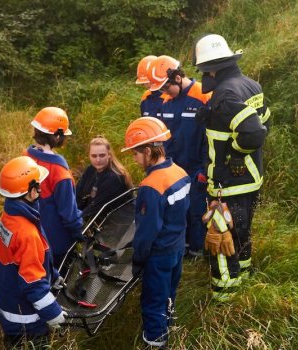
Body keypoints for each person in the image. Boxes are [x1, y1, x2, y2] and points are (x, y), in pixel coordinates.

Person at [194, 34, 269, 301]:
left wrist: (236, 155)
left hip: (229, 183)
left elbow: (253, 132)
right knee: (242, 232)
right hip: (252, 178)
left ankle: (225, 296)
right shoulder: (251, 85)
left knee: (221, 237)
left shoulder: (225, 94)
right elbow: (265, 123)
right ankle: (244, 279)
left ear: (210, 69)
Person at [121, 117, 190, 348]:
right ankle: (168, 325)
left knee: (153, 301)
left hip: (158, 255)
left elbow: (146, 232)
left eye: (136, 153)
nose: (134, 159)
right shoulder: (180, 172)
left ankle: (155, 342)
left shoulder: (151, 186)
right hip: (177, 247)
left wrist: (138, 259)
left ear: (149, 150)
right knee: (170, 292)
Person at [0, 156, 66, 348]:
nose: (40, 189)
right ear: (31, 191)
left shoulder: (8, 219)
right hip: (28, 323)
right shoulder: (27, 233)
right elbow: (32, 284)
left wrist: (53, 276)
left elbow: (24, 262)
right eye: (38, 185)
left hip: (9, 311)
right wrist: (55, 315)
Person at [148, 55, 212, 258]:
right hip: (174, 168)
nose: (164, 93)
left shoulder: (203, 96)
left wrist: (205, 169)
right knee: (177, 209)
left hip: (197, 167)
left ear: (177, 78)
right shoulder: (167, 102)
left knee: (197, 210)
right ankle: (182, 247)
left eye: (166, 88)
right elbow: (165, 137)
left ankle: (197, 250)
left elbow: (210, 139)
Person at [25, 107, 84, 269]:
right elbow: (69, 215)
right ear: (57, 136)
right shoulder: (59, 172)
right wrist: (81, 234)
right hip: (56, 246)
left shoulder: (25, 158)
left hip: (30, 240)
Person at [75, 136, 133, 221]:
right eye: (94, 156)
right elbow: (77, 194)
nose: (98, 160)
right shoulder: (91, 170)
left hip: (116, 224)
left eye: (102, 155)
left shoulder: (115, 178)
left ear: (109, 155)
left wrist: (73, 221)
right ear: (89, 156)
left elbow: (96, 208)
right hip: (97, 218)